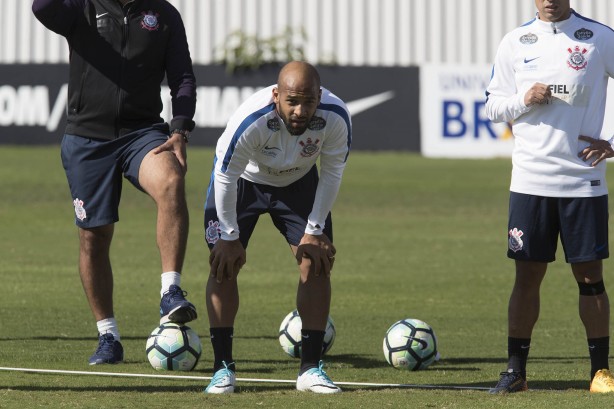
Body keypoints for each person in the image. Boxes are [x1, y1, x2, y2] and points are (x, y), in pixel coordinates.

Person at [32, 0, 198, 365]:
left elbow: (182, 76)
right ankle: (108, 336)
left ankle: (170, 290)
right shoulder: (80, 7)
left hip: (143, 133)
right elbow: (41, 8)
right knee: (94, 237)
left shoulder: (164, 14)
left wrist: (180, 126)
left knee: (171, 181)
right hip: (87, 139)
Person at [485, 0, 614, 394]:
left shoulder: (598, 38)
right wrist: (524, 98)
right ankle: (515, 372)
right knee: (527, 278)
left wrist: (612, 141)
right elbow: (493, 106)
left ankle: (600, 373)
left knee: (591, 278)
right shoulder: (515, 42)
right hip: (530, 182)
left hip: (584, 182)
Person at [203, 61, 351, 394]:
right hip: (244, 182)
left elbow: (332, 172)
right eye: (292, 101)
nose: (300, 111)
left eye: (308, 101)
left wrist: (314, 230)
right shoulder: (251, 120)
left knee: (315, 262)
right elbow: (224, 175)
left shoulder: (336, 116)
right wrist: (228, 237)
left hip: (298, 183)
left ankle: (310, 369)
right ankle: (222, 368)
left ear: (319, 96)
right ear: (276, 96)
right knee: (224, 265)